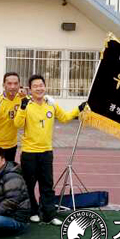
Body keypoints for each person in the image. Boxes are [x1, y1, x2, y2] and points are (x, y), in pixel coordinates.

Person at [14, 74, 85, 226]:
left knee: (47, 185)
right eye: (35, 86)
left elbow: (65, 118)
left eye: (41, 85)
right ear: (30, 89)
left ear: (45, 87)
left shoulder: (51, 104)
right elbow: (17, 124)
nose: (39, 88)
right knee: (28, 185)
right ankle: (32, 212)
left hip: (46, 152)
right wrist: (22, 106)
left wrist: (80, 108)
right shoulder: (25, 104)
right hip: (29, 153)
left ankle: (49, 214)